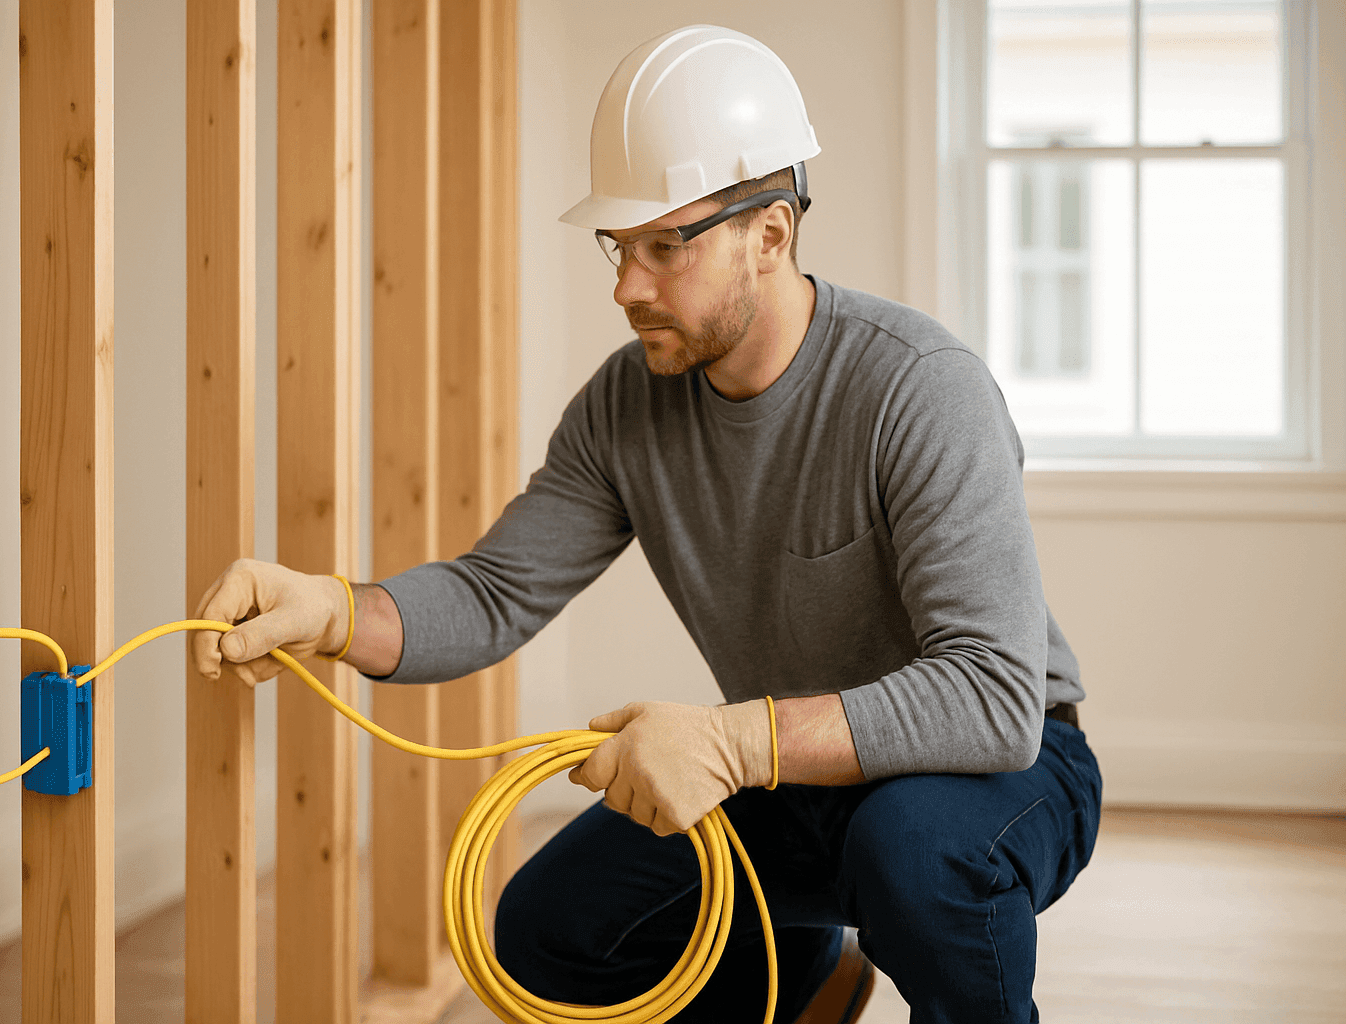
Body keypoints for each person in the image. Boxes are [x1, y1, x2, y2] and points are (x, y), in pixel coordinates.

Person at [191, 24, 1102, 1024]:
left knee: (913, 854)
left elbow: (993, 696)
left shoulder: (920, 389)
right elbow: (495, 592)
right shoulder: (626, 406)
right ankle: (802, 989)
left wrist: (733, 741)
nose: (628, 284)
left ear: (772, 235)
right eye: (619, 246)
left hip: (998, 772)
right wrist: (329, 609)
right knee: (548, 929)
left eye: (667, 243)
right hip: (793, 768)